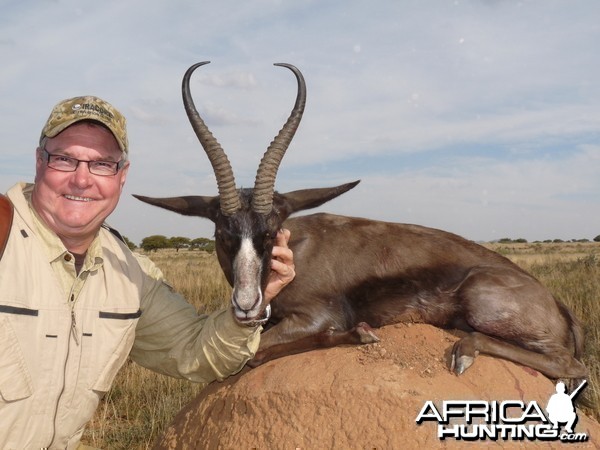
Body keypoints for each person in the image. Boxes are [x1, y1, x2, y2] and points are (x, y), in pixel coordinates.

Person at [0, 96, 295, 449]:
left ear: (121, 176)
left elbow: (195, 353)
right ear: (38, 161)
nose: (82, 179)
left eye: (102, 164)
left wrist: (257, 303)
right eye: (64, 158)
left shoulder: (131, 275)